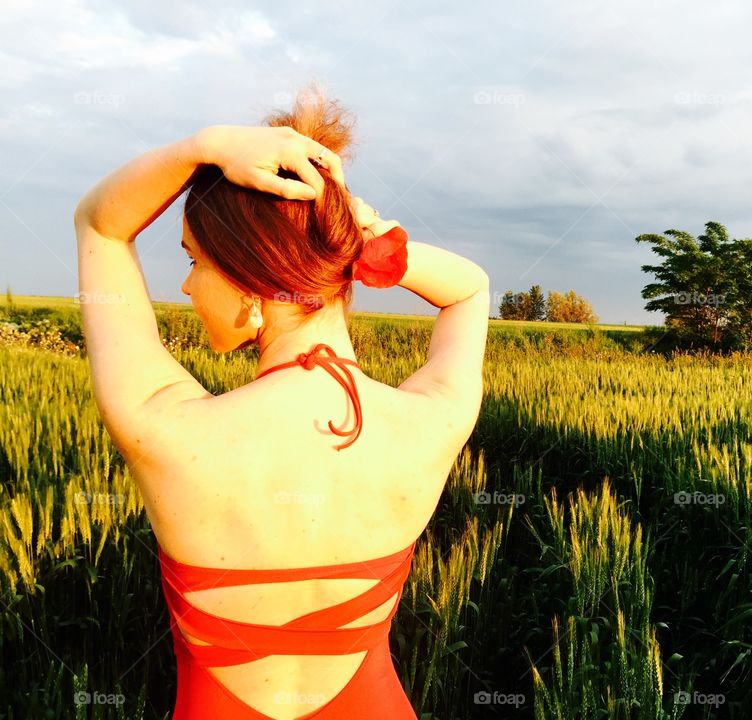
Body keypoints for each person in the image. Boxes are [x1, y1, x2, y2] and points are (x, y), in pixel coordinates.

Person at [74, 85, 490, 719]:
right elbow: (469, 291)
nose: (185, 287)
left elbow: (101, 225)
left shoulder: (164, 426)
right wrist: (365, 243)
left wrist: (202, 147)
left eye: (193, 261)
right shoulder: (430, 421)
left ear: (249, 284)